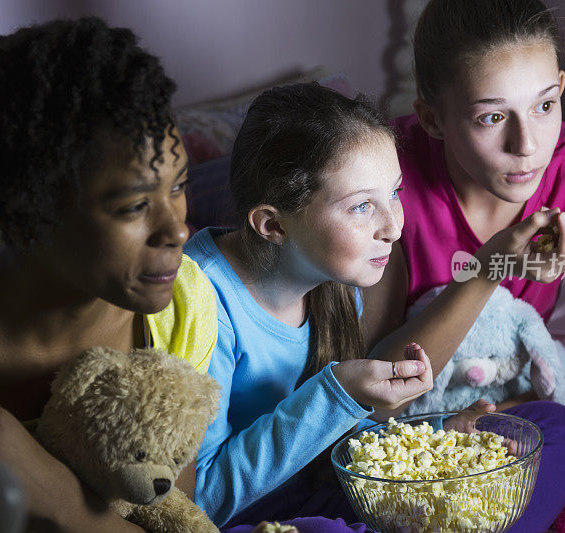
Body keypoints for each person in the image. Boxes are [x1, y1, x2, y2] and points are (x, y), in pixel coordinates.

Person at [0, 18, 217, 532]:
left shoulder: (183, 305)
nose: (178, 229)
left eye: (178, 186)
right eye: (133, 205)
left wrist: (57, 497)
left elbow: (164, 517)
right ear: (25, 217)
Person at [363, 0, 565, 530]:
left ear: (561, 87)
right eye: (492, 117)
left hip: (488, 409)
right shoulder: (388, 176)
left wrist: (492, 423)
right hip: (407, 406)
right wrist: (487, 271)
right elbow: (377, 392)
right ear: (432, 118)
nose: (528, 146)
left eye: (544, 106)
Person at [184, 83, 434, 530]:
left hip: (310, 493)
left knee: (553, 429)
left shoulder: (336, 283)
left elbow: (327, 446)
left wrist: (436, 441)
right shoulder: (202, 306)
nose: (393, 228)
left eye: (394, 192)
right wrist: (335, 394)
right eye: (361, 206)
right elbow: (198, 501)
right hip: (239, 520)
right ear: (274, 224)